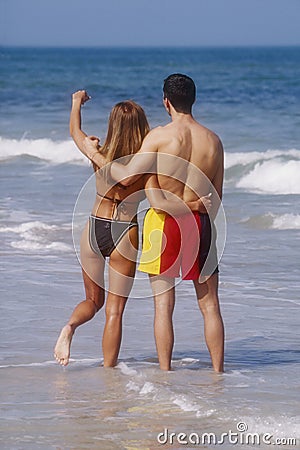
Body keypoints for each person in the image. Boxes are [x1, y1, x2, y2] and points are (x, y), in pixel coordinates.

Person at [83, 74, 225, 372]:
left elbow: (124, 177)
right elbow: (217, 197)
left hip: (163, 224)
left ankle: (165, 374)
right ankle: (218, 375)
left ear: (166, 102)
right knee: (210, 306)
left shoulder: (159, 136)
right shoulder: (214, 141)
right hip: (200, 224)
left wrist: (94, 152)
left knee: (163, 307)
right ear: (193, 100)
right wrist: (197, 214)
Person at [54, 90, 205, 367]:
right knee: (114, 311)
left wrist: (76, 102)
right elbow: (161, 199)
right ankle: (108, 372)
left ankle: (70, 327)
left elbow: (74, 130)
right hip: (125, 231)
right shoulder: (147, 164)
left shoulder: (96, 152)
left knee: (92, 300)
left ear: (113, 125)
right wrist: (194, 206)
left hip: (93, 229)